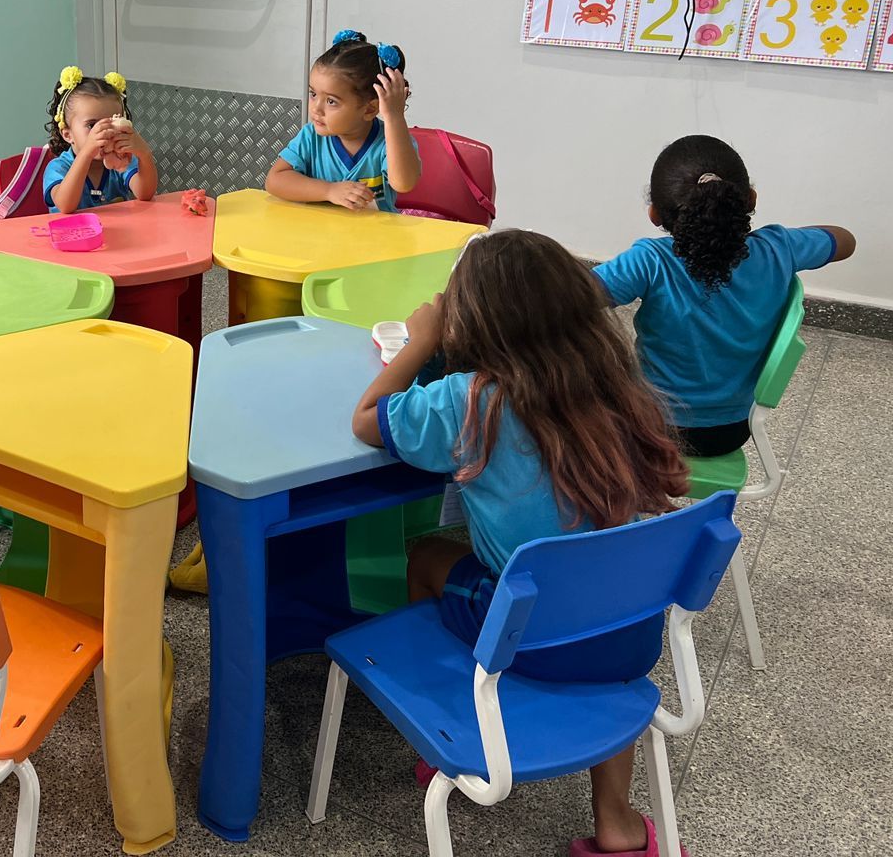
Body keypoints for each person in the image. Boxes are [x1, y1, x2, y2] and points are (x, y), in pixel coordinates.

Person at [353, 230, 691, 856]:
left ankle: (451, 727)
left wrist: (422, 340)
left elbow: (368, 419)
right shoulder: (618, 385)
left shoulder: (471, 399)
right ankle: (616, 821)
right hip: (629, 636)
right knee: (593, 603)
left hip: (530, 637)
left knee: (427, 556)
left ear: (471, 321)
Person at [594, 135, 855, 457]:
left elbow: (570, 294)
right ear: (751, 200)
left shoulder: (650, 260)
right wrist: (782, 238)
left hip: (653, 424)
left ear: (654, 214)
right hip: (732, 429)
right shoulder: (778, 248)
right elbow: (845, 241)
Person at [265, 29, 420, 211]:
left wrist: (394, 117)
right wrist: (329, 191)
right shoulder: (310, 137)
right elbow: (274, 180)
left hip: (374, 230)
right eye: (313, 94)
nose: (316, 108)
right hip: (319, 229)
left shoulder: (389, 141)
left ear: (370, 109)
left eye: (331, 101)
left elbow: (403, 184)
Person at [42, 67, 158, 214]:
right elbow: (65, 206)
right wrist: (86, 154)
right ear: (67, 134)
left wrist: (145, 154)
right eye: (92, 125)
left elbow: (145, 194)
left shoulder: (120, 162)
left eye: (112, 122)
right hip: (72, 229)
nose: (104, 132)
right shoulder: (58, 167)